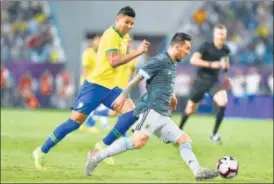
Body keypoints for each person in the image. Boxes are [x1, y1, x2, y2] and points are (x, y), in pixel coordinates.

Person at [84, 33, 219, 181]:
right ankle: (96, 158)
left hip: (162, 114)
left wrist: (172, 95)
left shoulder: (173, 62)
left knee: (184, 140)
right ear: (177, 46)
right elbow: (138, 78)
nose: (188, 52)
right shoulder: (159, 60)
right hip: (151, 109)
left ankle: (197, 171)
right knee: (137, 142)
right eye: (186, 48)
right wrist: (123, 96)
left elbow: (165, 81)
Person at [33, 6, 150, 170]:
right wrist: (137, 53)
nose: (129, 26)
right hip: (94, 86)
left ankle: (101, 148)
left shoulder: (124, 36)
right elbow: (114, 61)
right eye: (127, 22)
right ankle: (41, 151)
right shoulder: (110, 35)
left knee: (132, 113)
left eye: (132, 23)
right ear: (117, 19)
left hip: (110, 87)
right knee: (74, 123)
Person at [176, 24, 230, 143]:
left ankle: (214, 134)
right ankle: (178, 131)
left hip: (214, 82)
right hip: (201, 81)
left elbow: (225, 63)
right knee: (189, 110)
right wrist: (211, 64)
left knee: (223, 101)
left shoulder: (226, 49)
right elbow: (193, 60)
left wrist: (226, 67)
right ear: (214, 34)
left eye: (223, 33)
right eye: (219, 33)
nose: (221, 35)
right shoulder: (206, 46)